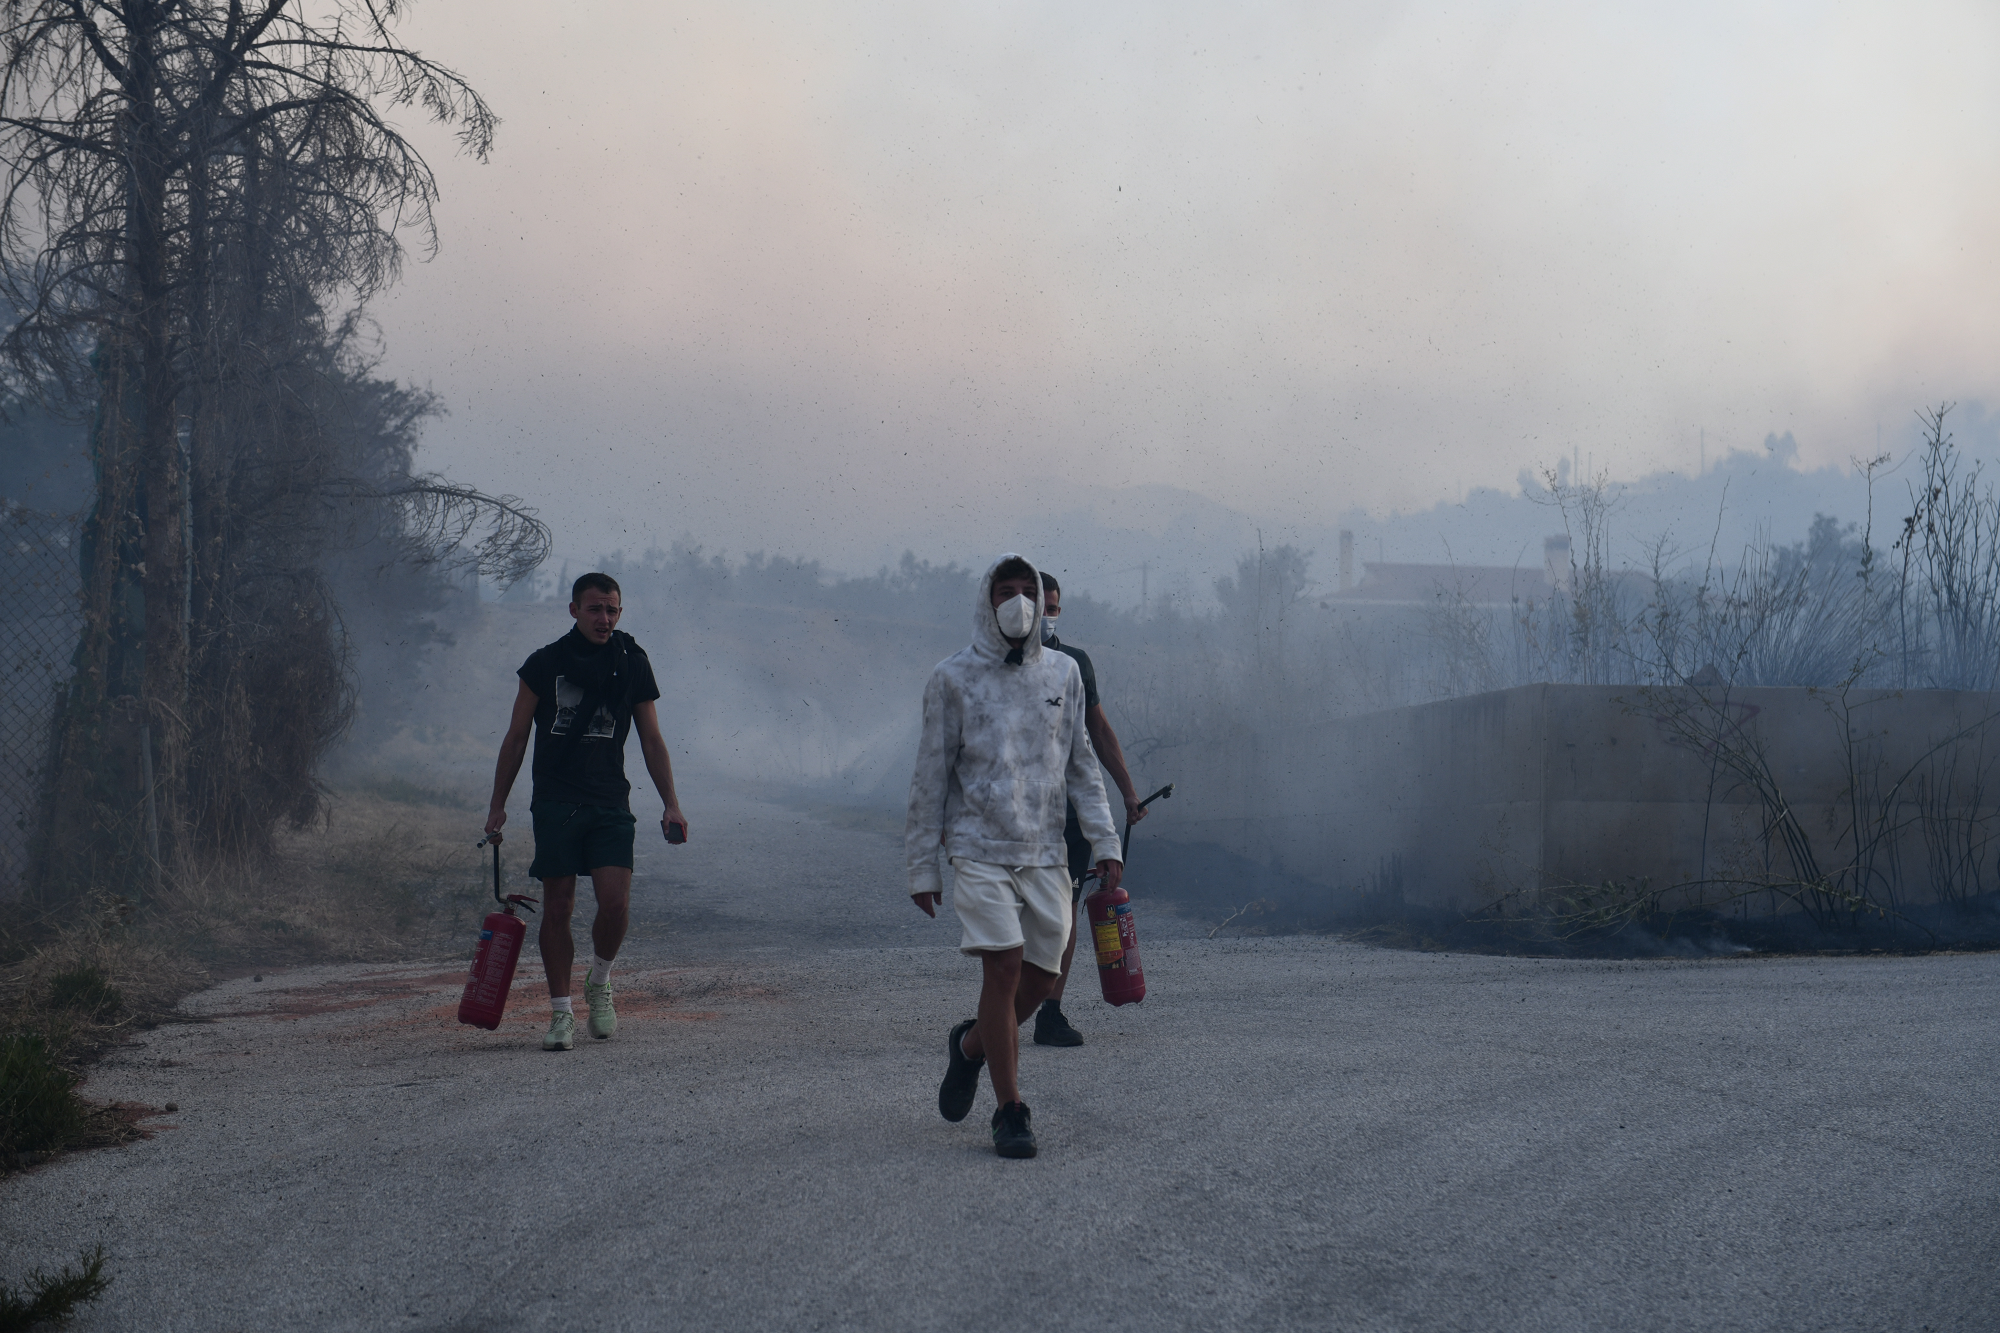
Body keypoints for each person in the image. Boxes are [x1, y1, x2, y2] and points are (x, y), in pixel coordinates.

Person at [907, 553, 1122, 1158]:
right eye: (1007, 590)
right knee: (1001, 968)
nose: (1020, 602)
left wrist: (1104, 841)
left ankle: (972, 1046)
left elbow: (1082, 766)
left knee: (1043, 977)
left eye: (1029, 590)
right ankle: (1010, 1110)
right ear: (986, 599)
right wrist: (923, 863)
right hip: (977, 849)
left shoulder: (1064, 675)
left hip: (1045, 849)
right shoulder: (951, 678)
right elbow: (929, 777)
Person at [484, 572, 689, 1051]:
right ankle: (560, 1015)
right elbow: (517, 738)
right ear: (573, 609)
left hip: (609, 798)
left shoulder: (632, 664)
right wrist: (497, 804)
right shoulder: (543, 663)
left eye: (612, 610)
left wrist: (671, 803)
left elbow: (652, 739)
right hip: (555, 800)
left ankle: (599, 982)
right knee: (558, 906)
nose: (604, 619)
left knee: (615, 904)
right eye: (595, 609)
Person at [1031, 572, 1147, 1048]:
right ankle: (998, 1011)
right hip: (1017, 818)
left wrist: (1127, 791)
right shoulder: (994, 664)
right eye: (1040, 606)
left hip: (1071, 819)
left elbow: (1098, 732)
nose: (1045, 616)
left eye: (1053, 608)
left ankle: (1049, 1013)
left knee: (1067, 913)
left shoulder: (1075, 665)